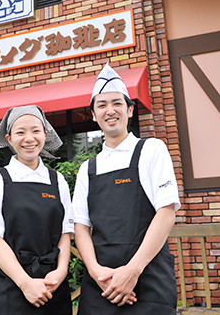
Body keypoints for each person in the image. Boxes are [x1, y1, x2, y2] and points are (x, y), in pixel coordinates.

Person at [72, 63, 181, 314]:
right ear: (93, 115)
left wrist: (132, 271)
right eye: (101, 105)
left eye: (117, 103)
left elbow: (166, 213)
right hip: (101, 285)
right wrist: (97, 272)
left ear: (130, 110)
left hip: (148, 279)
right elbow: (81, 227)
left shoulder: (152, 149)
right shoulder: (87, 169)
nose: (110, 111)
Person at [0, 105, 73, 315]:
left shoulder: (57, 180)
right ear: (9, 139)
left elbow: (65, 233)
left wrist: (61, 271)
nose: (29, 138)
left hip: (53, 285)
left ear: (45, 135)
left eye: (35, 131)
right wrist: (25, 283)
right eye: (20, 132)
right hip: (13, 285)